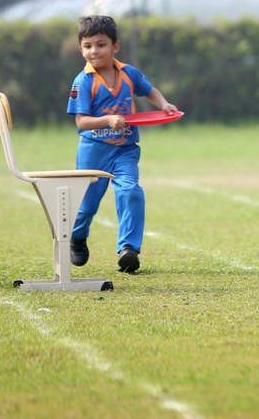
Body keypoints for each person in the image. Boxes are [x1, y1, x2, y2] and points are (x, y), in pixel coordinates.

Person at [67, 15, 177, 274]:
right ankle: (78, 237)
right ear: (81, 48)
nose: (94, 51)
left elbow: (148, 90)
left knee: (130, 192)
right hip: (93, 152)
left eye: (101, 44)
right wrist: (107, 120)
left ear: (115, 46)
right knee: (87, 206)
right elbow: (82, 123)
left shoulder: (128, 73)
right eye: (88, 45)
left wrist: (163, 105)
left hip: (125, 150)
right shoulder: (83, 81)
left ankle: (128, 249)